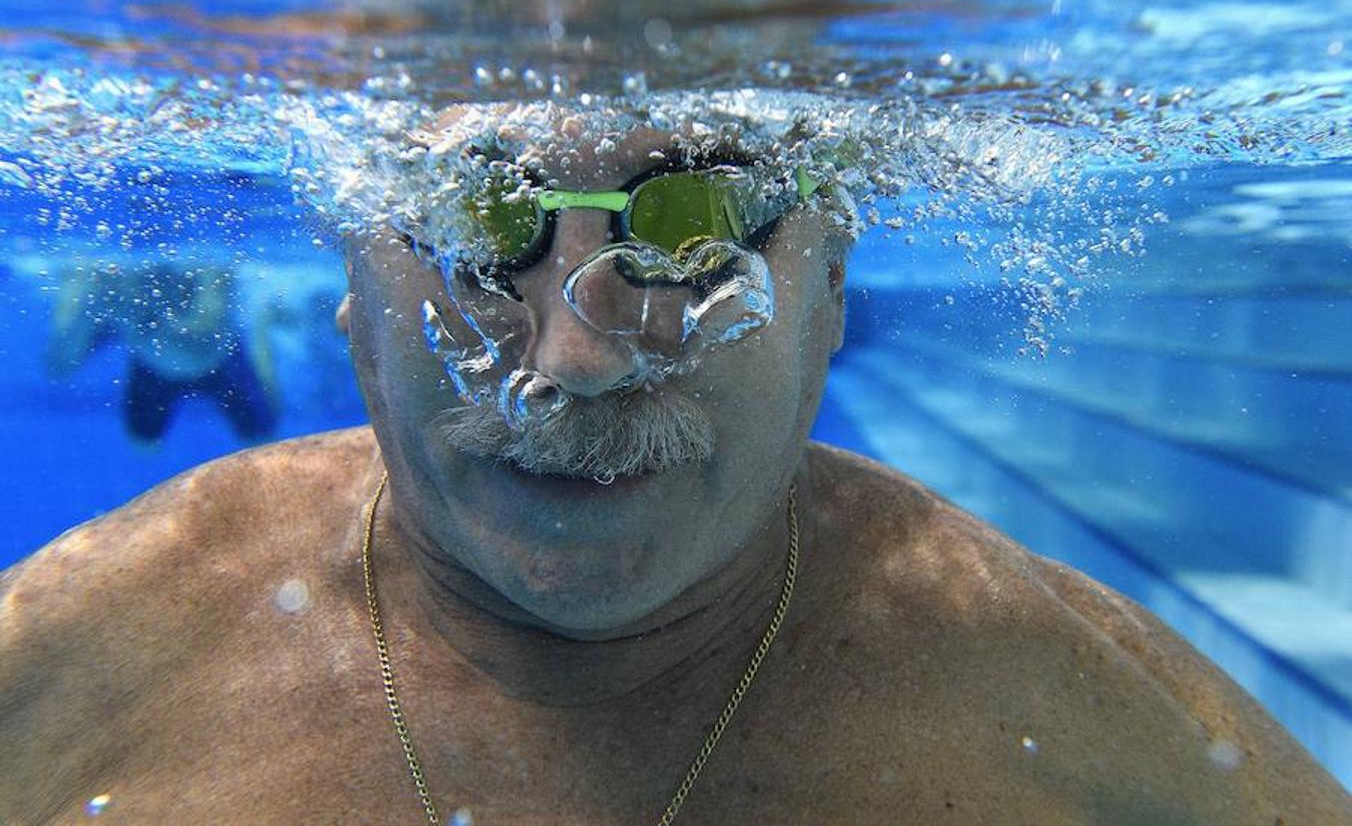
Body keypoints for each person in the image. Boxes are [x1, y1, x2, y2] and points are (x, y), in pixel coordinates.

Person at [2, 102, 1349, 826]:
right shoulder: (69, 667)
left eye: (694, 225)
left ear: (828, 296)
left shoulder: (1114, 735)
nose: (579, 362)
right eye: (478, 224)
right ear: (351, 285)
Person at [44, 262, 279, 444]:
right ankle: (262, 327)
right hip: (158, 356)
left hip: (211, 357)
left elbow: (208, 319)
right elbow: (57, 364)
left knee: (262, 437)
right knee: (143, 440)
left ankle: (262, 327)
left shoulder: (202, 290)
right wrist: (84, 296)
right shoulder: (120, 293)